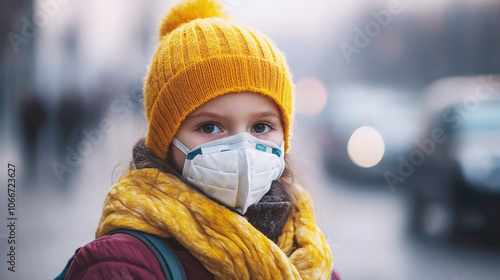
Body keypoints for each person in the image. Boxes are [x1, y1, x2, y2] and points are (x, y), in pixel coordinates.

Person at [64, 0, 337, 279]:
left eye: (260, 126)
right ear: (167, 139)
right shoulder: (120, 265)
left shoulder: (308, 253)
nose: (242, 148)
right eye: (209, 127)